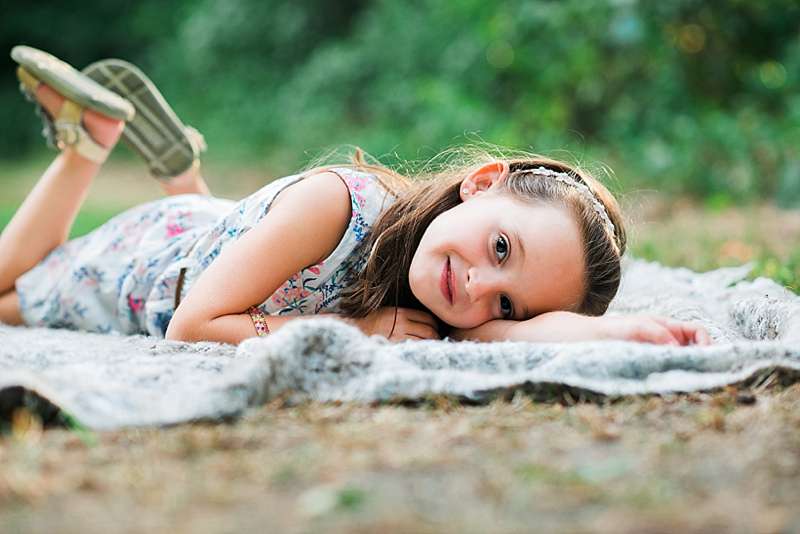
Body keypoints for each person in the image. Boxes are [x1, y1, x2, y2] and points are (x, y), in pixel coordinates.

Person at [0, 47, 711, 346]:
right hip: (151, 269)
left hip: (221, 242)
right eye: (501, 248)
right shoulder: (341, 205)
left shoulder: (449, 297)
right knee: (8, 298)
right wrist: (357, 332)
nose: (478, 287)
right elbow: (191, 327)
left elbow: (515, 338)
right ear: (482, 182)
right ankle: (90, 143)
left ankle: (189, 181)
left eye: (505, 300)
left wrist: (615, 333)